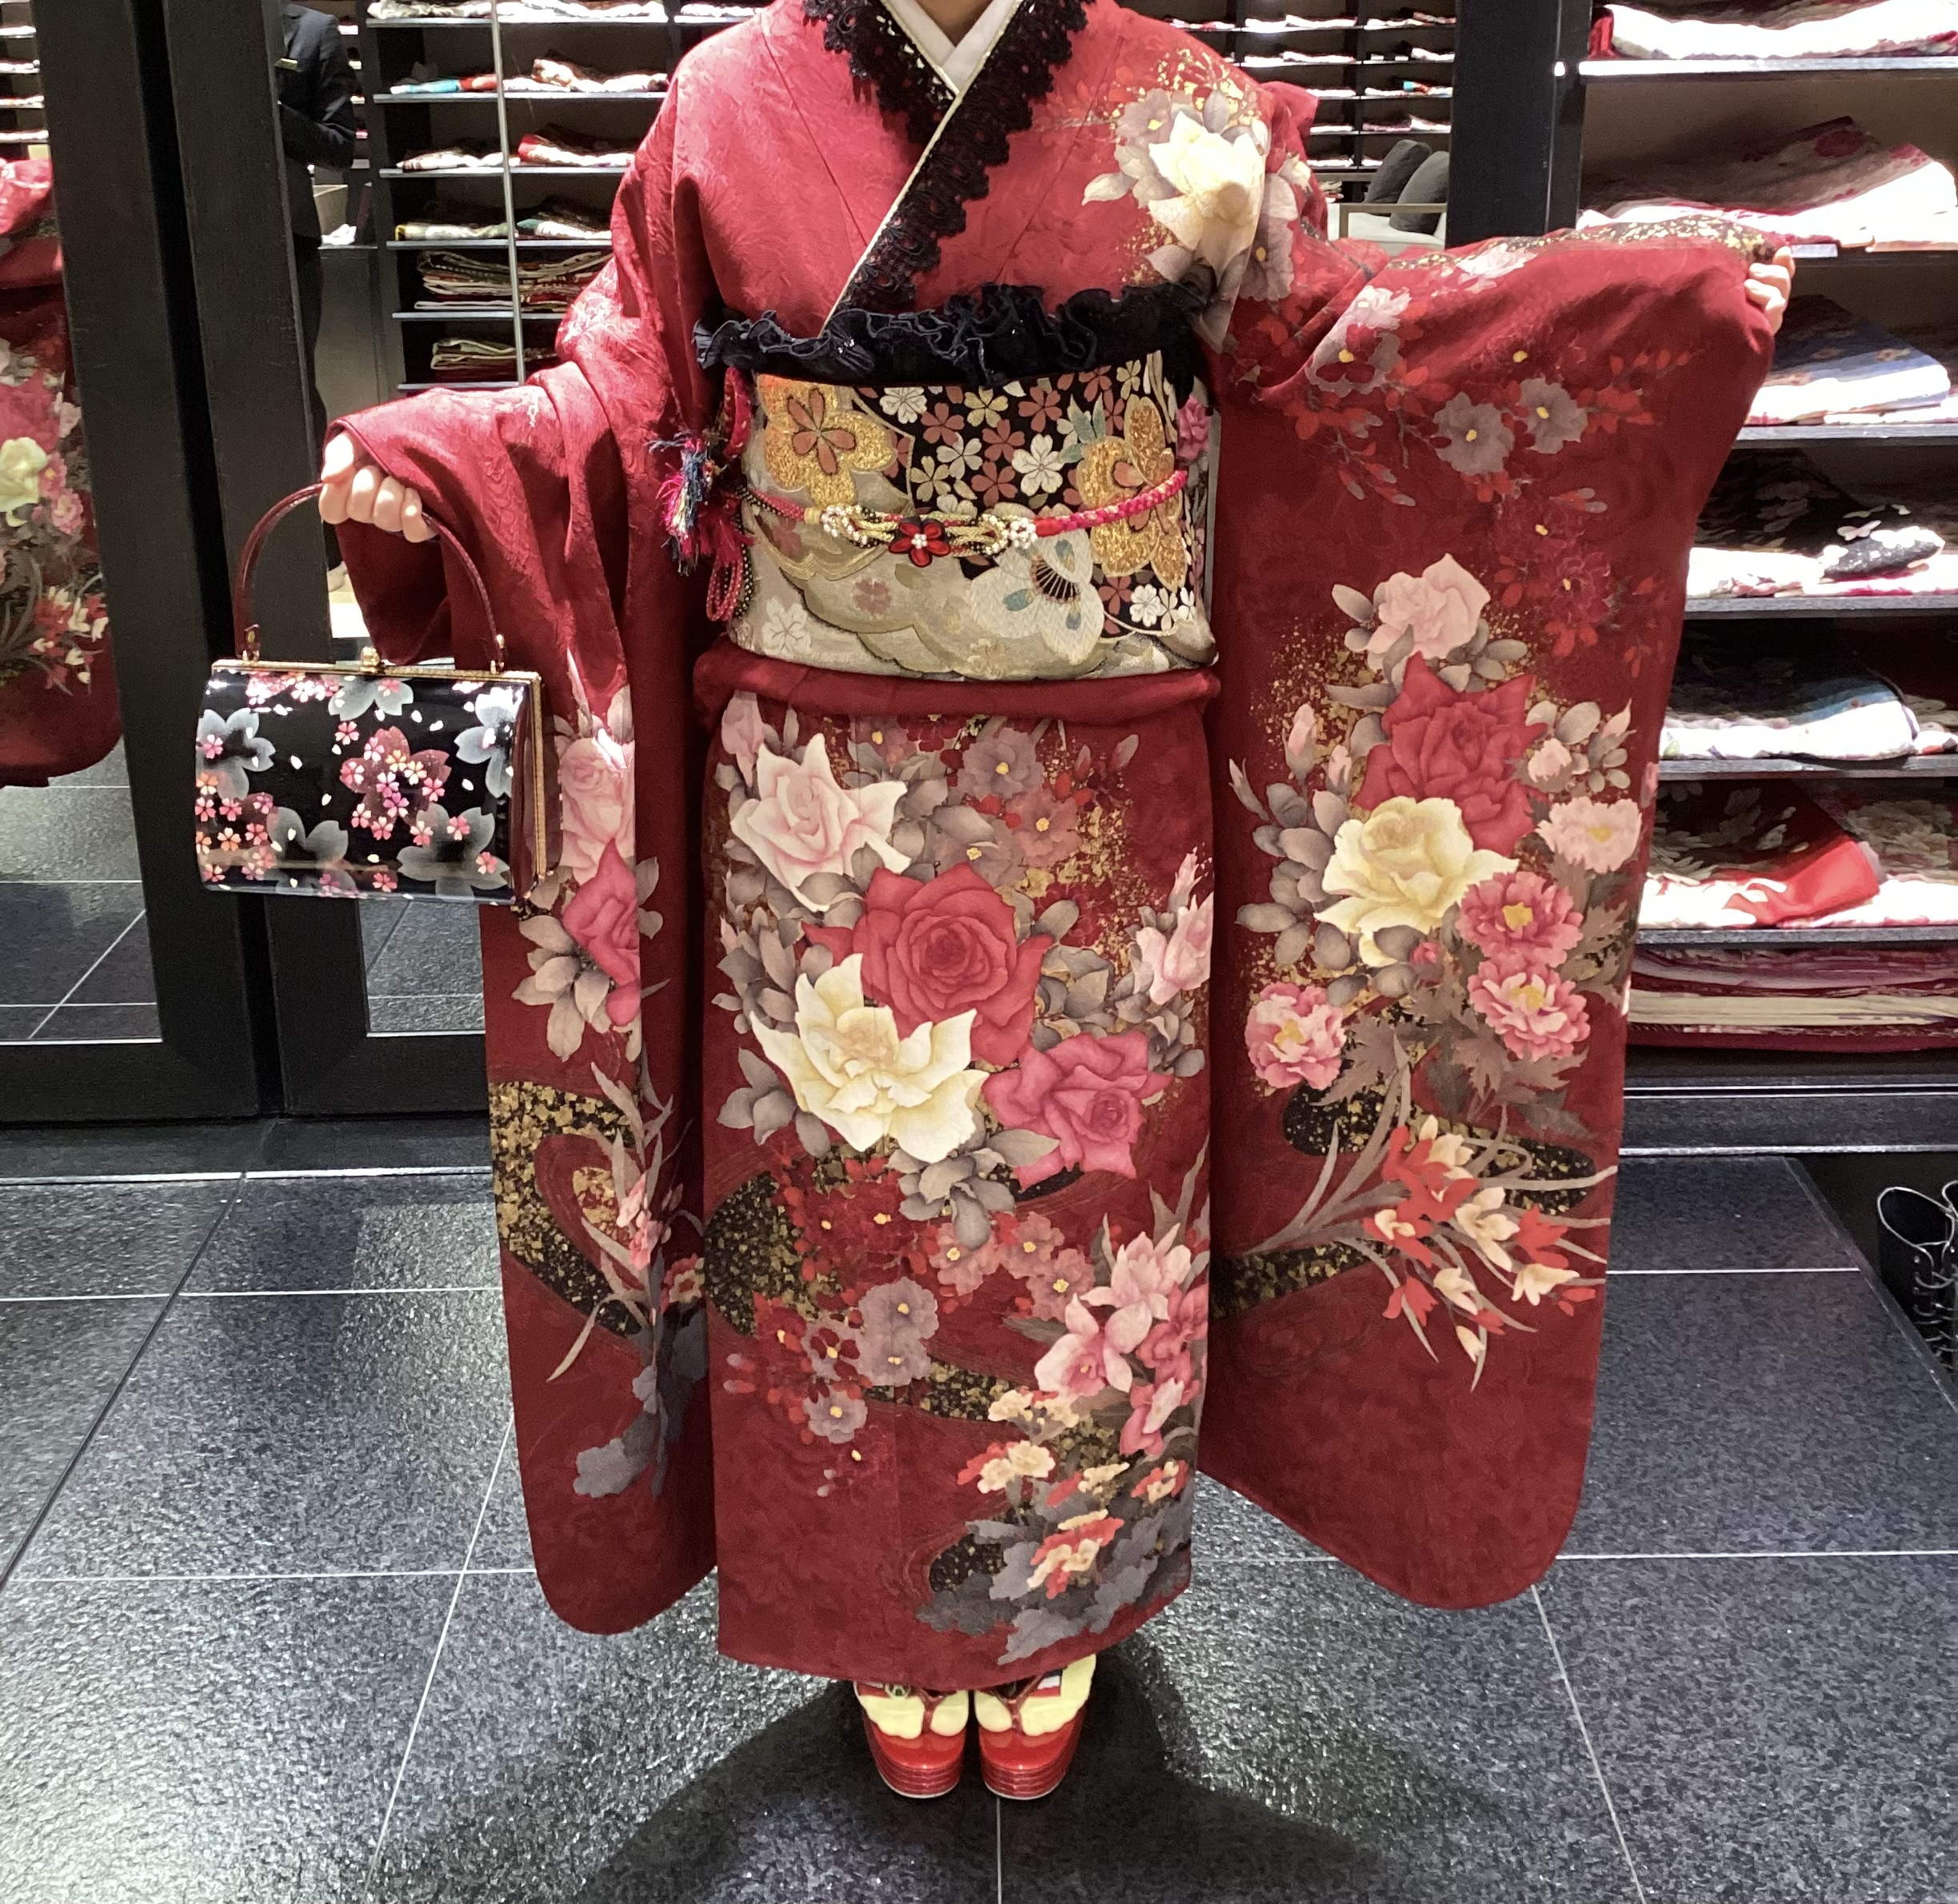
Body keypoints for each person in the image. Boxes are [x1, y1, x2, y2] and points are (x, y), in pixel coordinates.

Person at [320, 0, 1791, 1801]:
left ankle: (1055, 1608)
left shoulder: (1182, 99)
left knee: (1084, 1212)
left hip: (1106, 797)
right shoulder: (724, 102)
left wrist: (1650, 298)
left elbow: (1351, 354)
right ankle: (876, 1609)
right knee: (850, 1218)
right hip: (818, 800)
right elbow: (622, 400)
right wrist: (447, 459)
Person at [276, 0, 357, 564]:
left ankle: (317, 542)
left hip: (290, 237)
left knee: (295, 385)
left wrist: (272, 112)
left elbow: (339, 147)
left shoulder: (312, 30)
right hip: (199, 234)